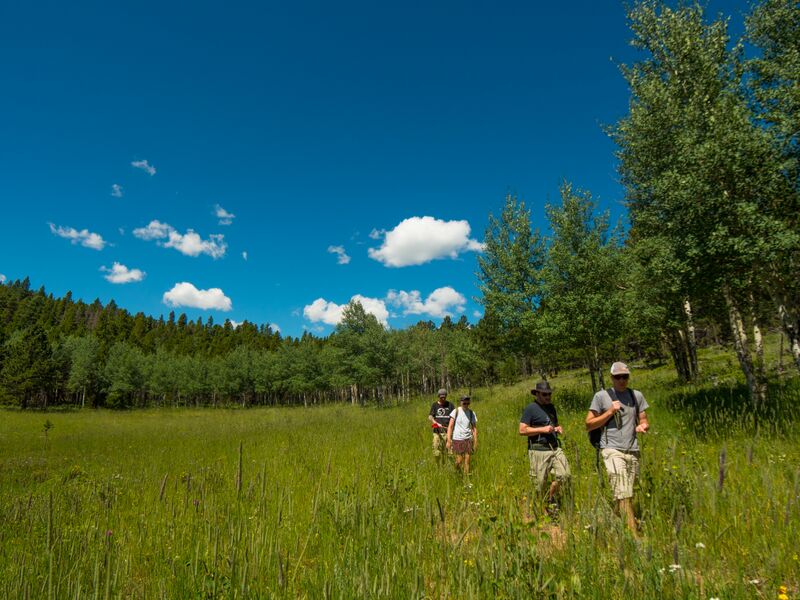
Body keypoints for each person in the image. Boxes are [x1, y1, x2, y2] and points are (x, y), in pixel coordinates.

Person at [585, 362, 650, 535]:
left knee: (628, 493)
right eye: (618, 377)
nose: (622, 380)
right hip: (611, 449)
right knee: (623, 493)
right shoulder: (601, 397)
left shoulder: (636, 396)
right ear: (611, 378)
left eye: (625, 377)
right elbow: (589, 424)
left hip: (632, 449)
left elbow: (643, 419)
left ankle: (609, 522)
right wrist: (609, 412)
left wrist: (642, 426)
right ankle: (634, 536)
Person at [519, 381, 570, 514]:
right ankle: (542, 510)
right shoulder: (530, 408)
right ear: (537, 394)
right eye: (544, 394)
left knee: (564, 475)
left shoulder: (551, 408)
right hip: (538, 450)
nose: (548, 397)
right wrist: (542, 429)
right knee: (539, 484)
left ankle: (550, 497)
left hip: (554, 448)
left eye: (549, 394)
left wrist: (558, 428)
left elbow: (554, 424)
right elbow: (522, 430)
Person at [446, 396, 477, 476]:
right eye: (464, 403)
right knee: (459, 460)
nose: (466, 405)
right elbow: (450, 426)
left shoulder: (471, 413)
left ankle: (466, 478)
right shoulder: (456, 411)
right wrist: (449, 440)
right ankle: (456, 472)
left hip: (468, 439)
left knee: (467, 460)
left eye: (468, 403)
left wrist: (475, 441)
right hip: (457, 439)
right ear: (461, 402)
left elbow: (474, 428)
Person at [428, 388, 454, 460]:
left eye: (444, 397)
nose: (443, 398)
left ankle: (450, 465)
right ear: (438, 396)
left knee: (450, 451)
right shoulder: (434, 405)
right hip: (437, 432)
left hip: (448, 432)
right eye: (441, 397)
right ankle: (439, 466)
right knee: (436, 451)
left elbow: (454, 417)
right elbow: (430, 417)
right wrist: (435, 422)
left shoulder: (450, 405)